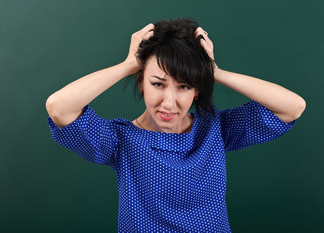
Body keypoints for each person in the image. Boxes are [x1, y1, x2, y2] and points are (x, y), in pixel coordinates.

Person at [46, 18, 306, 232]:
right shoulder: (120, 140)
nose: (169, 103)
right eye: (157, 84)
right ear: (140, 82)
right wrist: (128, 64)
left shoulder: (214, 129)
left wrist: (213, 71)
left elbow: (292, 107)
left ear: (197, 90)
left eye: (184, 86)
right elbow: (59, 107)